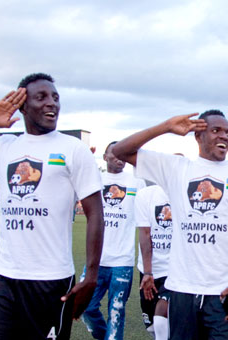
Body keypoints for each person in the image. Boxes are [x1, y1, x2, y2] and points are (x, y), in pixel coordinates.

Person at [113, 110, 228, 340]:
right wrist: (166, 126)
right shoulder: (176, 168)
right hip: (182, 290)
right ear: (198, 135)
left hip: (225, 291)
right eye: (216, 130)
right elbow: (121, 151)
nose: (224, 136)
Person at [0, 73, 104, 340]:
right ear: (22, 105)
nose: (52, 103)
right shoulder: (3, 147)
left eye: (55, 97)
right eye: (41, 97)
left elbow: (95, 212)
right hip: (3, 275)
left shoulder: (72, 149)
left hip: (52, 279)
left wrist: (91, 277)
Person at [81, 141, 145, 340]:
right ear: (105, 157)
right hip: (96, 261)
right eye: (114, 154)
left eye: (122, 155)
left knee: (116, 312)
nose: (119, 158)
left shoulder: (137, 182)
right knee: (85, 307)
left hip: (122, 262)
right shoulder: (95, 180)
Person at [135, 184, 173, 340]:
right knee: (152, 327)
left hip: (175, 271)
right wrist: (148, 272)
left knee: (160, 319)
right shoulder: (145, 195)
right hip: (149, 271)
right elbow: (144, 233)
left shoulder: (185, 195)